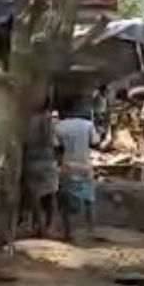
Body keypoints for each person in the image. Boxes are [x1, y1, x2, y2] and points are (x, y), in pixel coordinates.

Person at [55, 96, 101, 243]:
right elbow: (96, 142)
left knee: (66, 201)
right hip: (85, 166)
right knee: (89, 200)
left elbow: (56, 146)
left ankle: (68, 232)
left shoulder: (59, 126)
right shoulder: (88, 125)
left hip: (67, 166)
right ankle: (91, 230)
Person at [22, 103, 58, 237]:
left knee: (35, 196)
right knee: (51, 195)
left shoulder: (26, 120)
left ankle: (40, 226)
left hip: (31, 159)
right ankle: (50, 227)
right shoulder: (49, 119)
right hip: (47, 159)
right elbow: (54, 141)